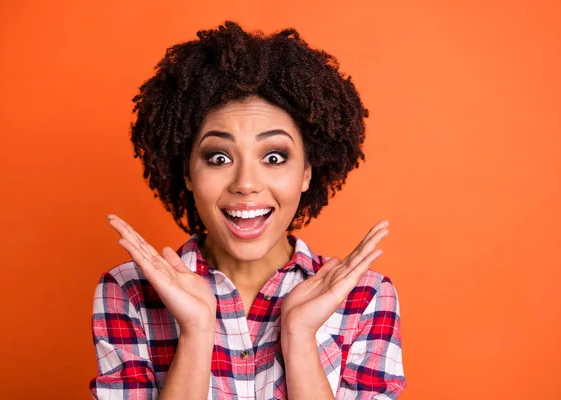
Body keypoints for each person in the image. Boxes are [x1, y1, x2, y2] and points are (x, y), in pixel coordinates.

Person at [90, 21, 406, 399]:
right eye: (218, 157)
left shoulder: (365, 297)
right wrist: (196, 332)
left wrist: (299, 337)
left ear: (306, 172)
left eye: (274, 156)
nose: (246, 183)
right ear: (188, 172)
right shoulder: (130, 292)